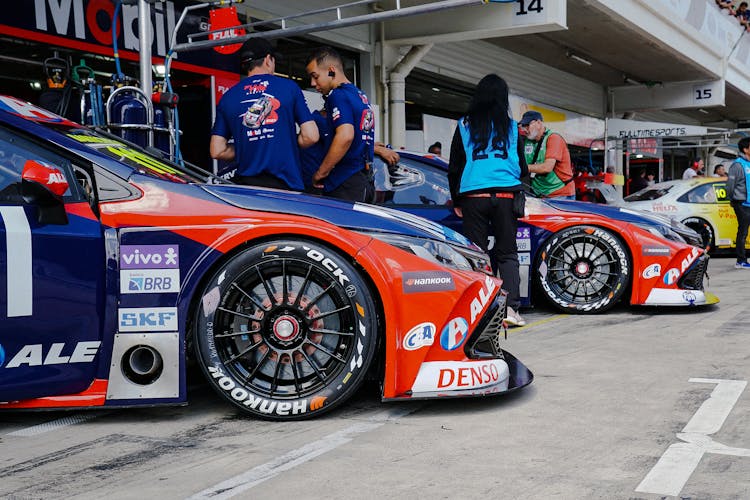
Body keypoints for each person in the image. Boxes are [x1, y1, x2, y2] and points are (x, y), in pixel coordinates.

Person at [448, 74, 529, 327]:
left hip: (474, 196)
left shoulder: (464, 124)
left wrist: (457, 201)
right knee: (508, 254)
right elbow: (523, 167)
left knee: (477, 255)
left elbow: (455, 167)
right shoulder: (512, 127)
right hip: (506, 196)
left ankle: (481, 311)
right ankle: (510, 310)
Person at [210, 38, 318, 190]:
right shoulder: (289, 87)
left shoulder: (228, 97)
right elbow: (311, 136)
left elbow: (217, 150)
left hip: (248, 189)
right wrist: (283, 142)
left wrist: (248, 145)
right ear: (268, 60)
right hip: (286, 187)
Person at [306, 46, 375, 202]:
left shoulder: (337, 95)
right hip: (364, 181)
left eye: (315, 76)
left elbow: (345, 136)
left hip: (345, 182)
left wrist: (321, 173)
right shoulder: (360, 95)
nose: (313, 83)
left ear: (331, 70)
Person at [301, 105, 399, 193]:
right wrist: (375, 149)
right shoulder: (319, 122)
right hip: (313, 186)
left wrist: (369, 145)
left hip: (318, 183)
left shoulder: (323, 123)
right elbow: (342, 145)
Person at [519, 111, 575, 199]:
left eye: (527, 125)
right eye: (523, 126)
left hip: (560, 194)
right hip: (539, 194)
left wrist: (521, 167)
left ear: (539, 123)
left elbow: (547, 168)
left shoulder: (553, 138)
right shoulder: (527, 141)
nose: (525, 129)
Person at [726, 137, 750, 269]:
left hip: (749, 202)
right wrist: (732, 199)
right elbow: (730, 185)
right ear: (746, 149)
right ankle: (741, 261)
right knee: (743, 231)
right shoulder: (737, 165)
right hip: (741, 202)